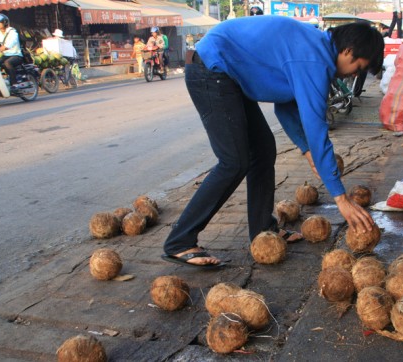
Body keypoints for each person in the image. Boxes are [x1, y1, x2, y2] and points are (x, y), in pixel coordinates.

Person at [161, 16, 383, 268]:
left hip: (229, 77)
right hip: (211, 70)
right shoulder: (313, 59)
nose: (355, 74)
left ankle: (262, 230)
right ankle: (179, 242)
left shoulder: (315, 48)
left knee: (264, 150)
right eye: (358, 67)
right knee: (234, 161)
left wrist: (307, 149)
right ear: (348, 51)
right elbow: (315, 126)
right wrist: (341, 199)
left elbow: (285, 107)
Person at [0, 14, 23, 92]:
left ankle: (14, 84)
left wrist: (5, 47)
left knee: (7, 63)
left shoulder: (12, 32)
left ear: (5, 22)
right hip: (4, 55)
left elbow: (13, 41)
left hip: (15, 55)